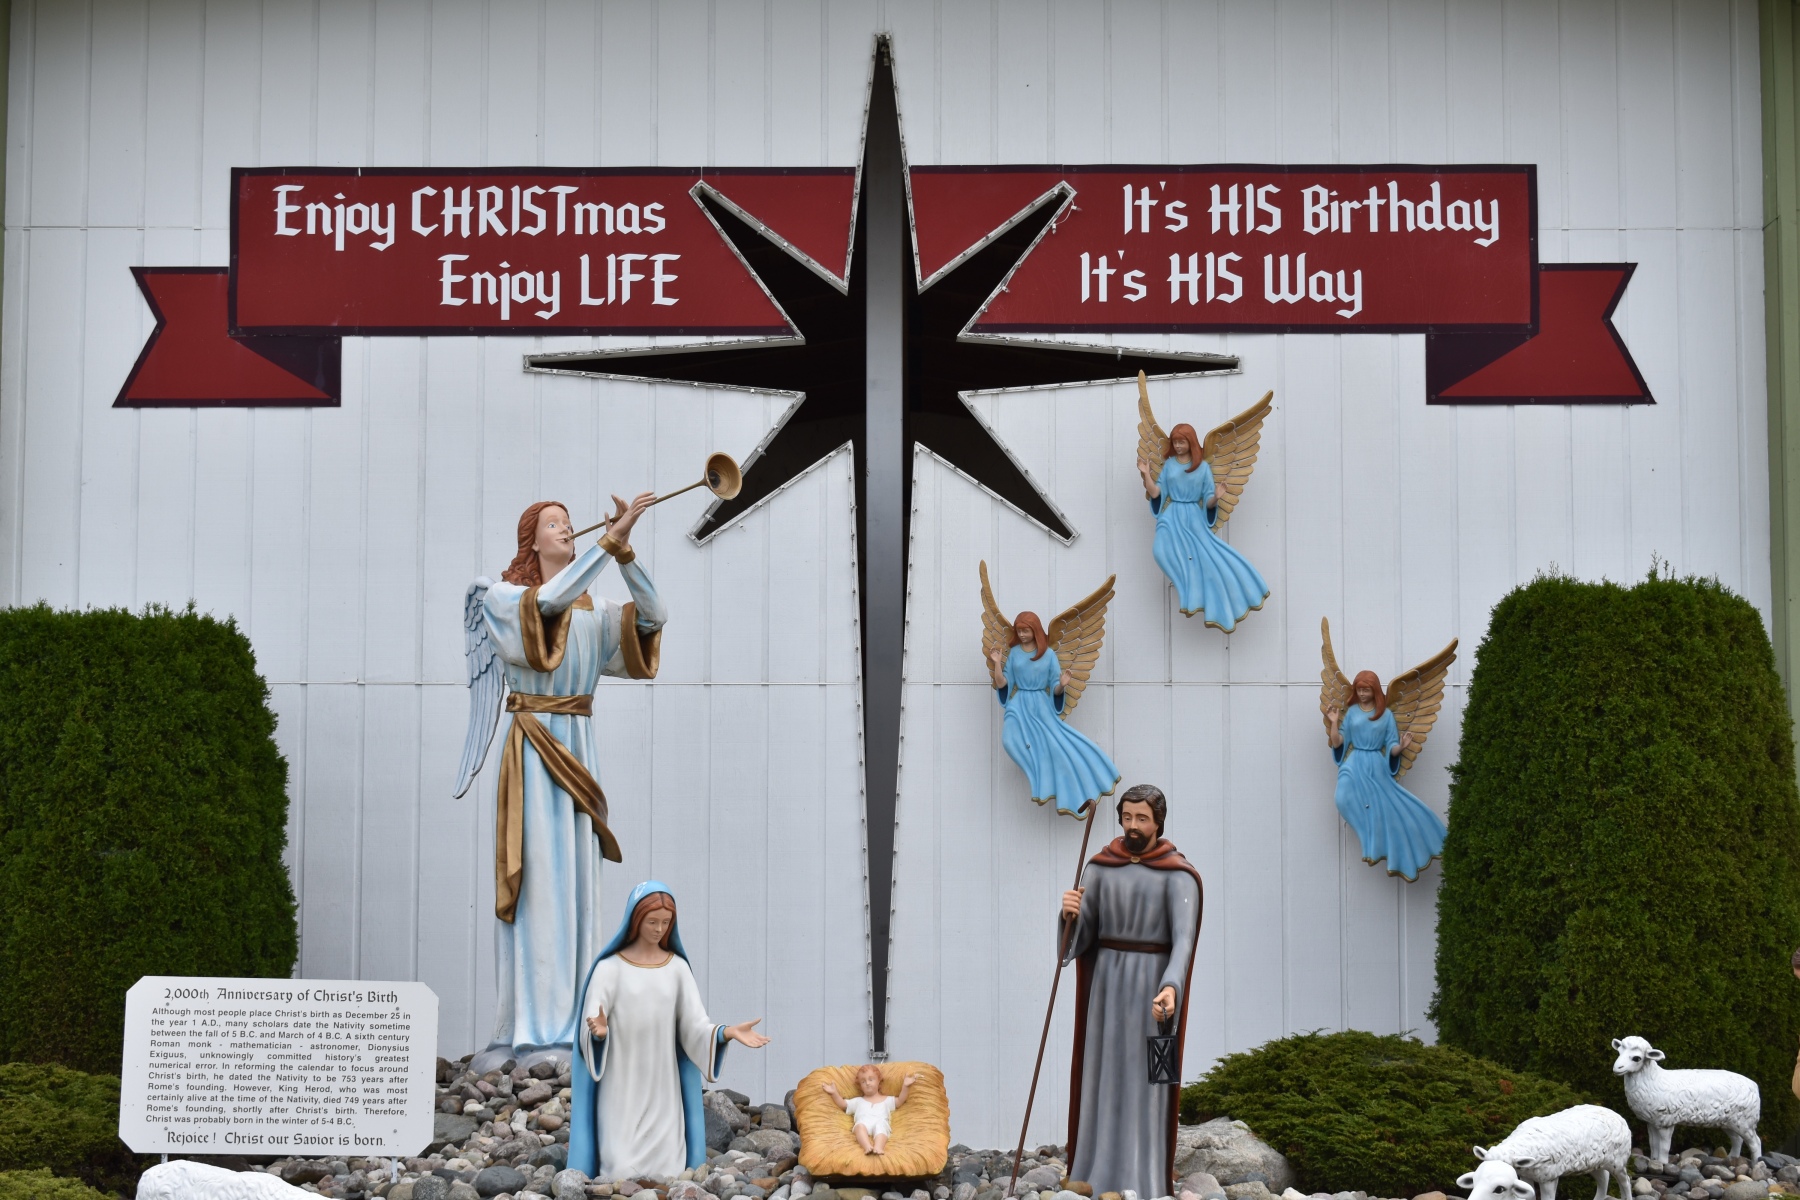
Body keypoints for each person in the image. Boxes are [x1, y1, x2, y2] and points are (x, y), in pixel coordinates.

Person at [460, 493, 666, 1072]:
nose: (567, 531)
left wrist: (626, 555)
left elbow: (653, 618)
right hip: (534, 750)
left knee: (576, 889)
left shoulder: (595, 609)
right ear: (531, 539)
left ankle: (577, 1019)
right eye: (555, 524)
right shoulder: (504, 599)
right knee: (541, 886)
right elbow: (547, 603)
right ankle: (530, 1029)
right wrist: (607, 542)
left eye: (571, 525)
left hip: (579, 747)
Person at [569, 882, 770, 1180]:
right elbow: (593, 1019)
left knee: (668, 1170)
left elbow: (693, 1025)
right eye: (652, 921)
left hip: (663, 1080)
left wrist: (726, 1033)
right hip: (621, 1079)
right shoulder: (609, 969)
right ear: (635, 919)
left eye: (666, 922)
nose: (659, 929)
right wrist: (598, 1033)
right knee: (621, 1167)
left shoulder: (676, 968)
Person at [1060, 784, 1204, 1198]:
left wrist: (1172, 986)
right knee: (1102, 1072)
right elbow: (1077, 942)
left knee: (1147, 1078)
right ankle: (1092, 1171)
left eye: (1142, 818)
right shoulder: (1099, 869)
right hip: (1106, 986)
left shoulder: (1178, 875)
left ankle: (1141, 1179)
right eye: (1127, 817)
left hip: (1151, 986)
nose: (1133, 826)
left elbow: (1184, 942)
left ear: (1158, 821)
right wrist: (1069, 916)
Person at [1136, 422, 1268, 632]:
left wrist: (1216, 497)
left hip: (1193, 518)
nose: (1178, 446)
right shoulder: (1169, 465)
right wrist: (1146, 474)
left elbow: (1208, 500)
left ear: (1191, 442)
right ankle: (1187, 589)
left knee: (1207, 557)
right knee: (1160, 552)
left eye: (1182, 442)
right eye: (1175, 442)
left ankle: (1198, 596)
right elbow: (1156, 493)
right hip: (1171, 516)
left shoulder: (1203, 468)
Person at [988, 611, 1120, 816]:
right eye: (1019, 631)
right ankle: (1038, 776)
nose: (1021, 635)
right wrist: (997, 662)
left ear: (1035, 630)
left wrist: (1062, 685)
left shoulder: (1048, 655)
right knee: (1009, 741)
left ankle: (1056, 783)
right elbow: (1004, 683)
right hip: (1019, 703)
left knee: (1056, 746)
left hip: (1041, 706)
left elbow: (1055, 688)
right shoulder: (1014, 653)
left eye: (1025, 631)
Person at [1325, 669, 1446, 881]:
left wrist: (1402, 746)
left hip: (1376, 766)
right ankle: (1369, 838)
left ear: (1374, 690)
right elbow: (1338, 742)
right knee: (1341, 798)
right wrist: (1334, 721)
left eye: (1366, 690)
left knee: (1387, 807)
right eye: (1359, 690)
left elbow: (1391, 747)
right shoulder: (1352, 713)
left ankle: (1378, 845)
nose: (1362, 694)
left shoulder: (1386, 715)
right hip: (1353, 763)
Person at [823, 1065, 919, 1155]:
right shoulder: (858, 1101)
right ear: (860, 1086)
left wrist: (906, 1086)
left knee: (881, 1126)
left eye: (871, 1079)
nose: (867, 1083)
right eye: (863, 1082)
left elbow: (900, 1101)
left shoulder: (886, 1100)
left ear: (878, 1081)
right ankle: (867, 1147)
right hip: (864, 1123)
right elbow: (843, 1105)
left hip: (880, 1122)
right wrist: (834, 1093)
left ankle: (878, 1147)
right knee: (859, 1126)